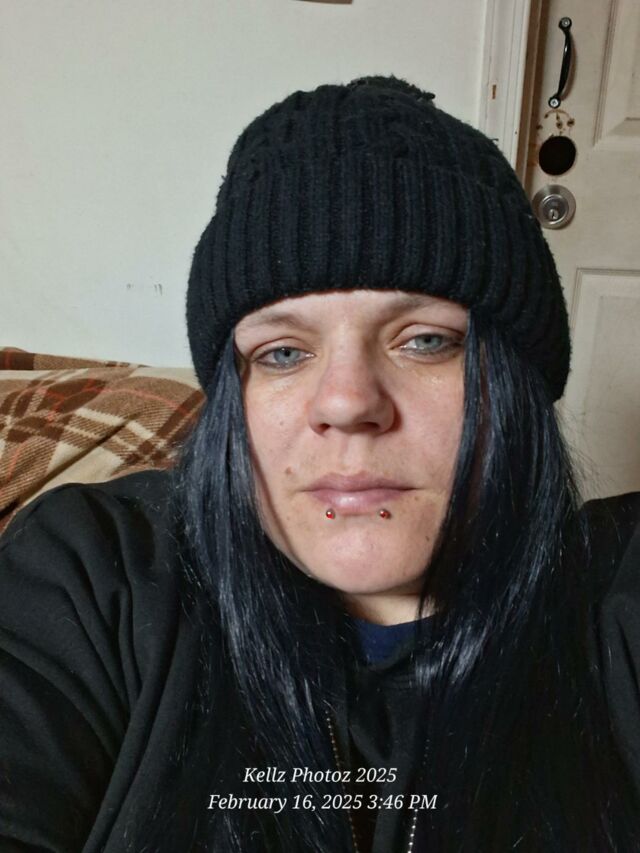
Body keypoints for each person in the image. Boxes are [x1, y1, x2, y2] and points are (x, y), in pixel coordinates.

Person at [0, 75, 639, 853]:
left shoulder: (613, 608)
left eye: (426, 340)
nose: (345, 401)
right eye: (282, 352)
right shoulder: (91, 575)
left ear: (518, 381)